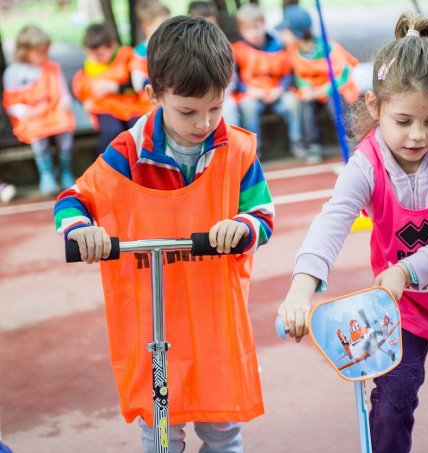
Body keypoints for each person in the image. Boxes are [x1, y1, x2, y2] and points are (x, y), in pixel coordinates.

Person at [277, 12, 428, 453]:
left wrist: (403, 271)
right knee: (390, 406)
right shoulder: (365, 163)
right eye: (403, 121)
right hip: (402, 305)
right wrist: (300, 290)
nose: (417, 136)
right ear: (374, 107)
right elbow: (332, 221)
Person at [54, 16, 274, 453]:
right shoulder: (130, 151)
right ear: (155, 95)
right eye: (188, 111)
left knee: (222, 428)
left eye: (216, 107)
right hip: (153, 314)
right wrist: (83, 231)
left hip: (213, 315)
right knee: (161, 430)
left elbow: (263, 216)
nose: (204, 122)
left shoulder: (238, 149)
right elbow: (73, 200)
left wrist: (242, 226)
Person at [277, 4, 360, 164]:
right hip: (313, 92)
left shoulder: (328, 48)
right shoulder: (293, 50)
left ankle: (350, 142)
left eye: (285, 30)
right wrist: (305, 88)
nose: (281, 34)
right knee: (306, 105)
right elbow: (299, 74)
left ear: (297, 33)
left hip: (334, 90)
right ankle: (314, 145)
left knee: (334, 103)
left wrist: (323, 90)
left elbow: (343, 75)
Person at [3, 25, 76, 195]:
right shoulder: (13, 73)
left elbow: (63, 93)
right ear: (26, 51)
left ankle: (65, 170)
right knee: (37, 137)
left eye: (46, 51)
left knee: (66, 128)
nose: (46, 55)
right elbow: (10, 102)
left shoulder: (52, 68)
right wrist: (21, 110)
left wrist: (64, 103)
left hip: (53, 112)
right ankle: (47, 174)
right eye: (41, 52)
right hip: (32, 117)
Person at [232, 3, 304, 159]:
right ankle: (254, 152)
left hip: (277, 92)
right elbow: (232, 80)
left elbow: (288, 73)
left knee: (293, 101)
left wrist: (280, 89)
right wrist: (249, 90)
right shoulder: (237, 50)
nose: (254, 33)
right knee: (248, 107)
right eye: (248, 29)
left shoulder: (278, 45)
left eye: (257, 27)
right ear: (241, 30)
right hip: (252, 95)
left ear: (264, 24)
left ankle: (298, 143)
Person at [72, 23, 152, 156]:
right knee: (112, 132)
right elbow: (80, 88)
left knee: (140, 129)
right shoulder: (88, 65)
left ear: (112, 46)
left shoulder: (126, 57)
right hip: (105, 107)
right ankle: (104, 165)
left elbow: (137, 83)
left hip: (130, 105)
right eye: (91, 54)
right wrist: (85, 102)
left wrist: (116, 87)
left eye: (100, 54)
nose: (96, 59)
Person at [187, 0, 241, 127]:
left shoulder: (225, 48)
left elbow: (232, 79)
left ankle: (230, 145)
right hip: (194, 97)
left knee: (228, 108)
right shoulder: (185, 51)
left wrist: (218, 95)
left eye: (211, 26)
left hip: (221, 96)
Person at [130, 0, 171, 95]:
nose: (169, 28)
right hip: (148, 101)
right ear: (147, 26)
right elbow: (138, 85)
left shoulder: (170, 47)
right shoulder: (140, 53)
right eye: (164, 24)